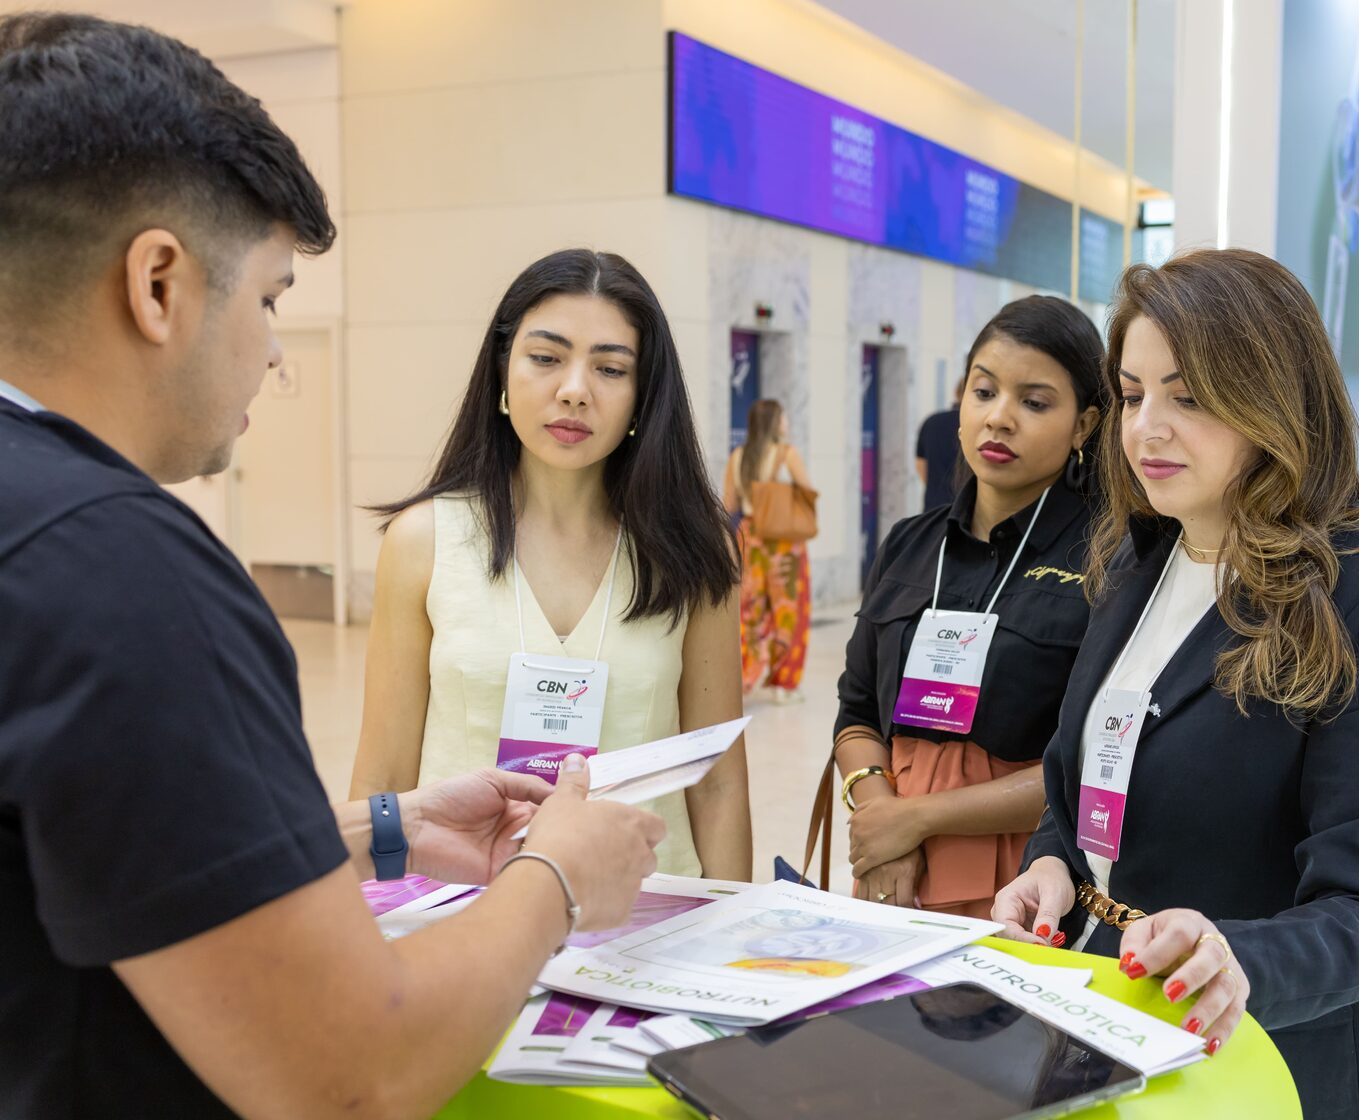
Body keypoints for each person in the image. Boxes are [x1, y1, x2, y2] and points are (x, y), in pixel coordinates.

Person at [0, 13, 665, 1118]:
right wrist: (556, 875)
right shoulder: (121, 575)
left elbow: (89, 850)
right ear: (158, 282)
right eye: (268, 299)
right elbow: (351, 1073)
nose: (273, 352)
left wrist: (378, 833)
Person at [992, 250, 1359, 1120]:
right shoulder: (1138, 559)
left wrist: (1234, 957)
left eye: (1189, 397)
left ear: (1274, 398)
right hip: (1094, 1021)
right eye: (1132, 395)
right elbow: (1083, 786)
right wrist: (1053, 866)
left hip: (1255, 1060)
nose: (1146, 429)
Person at [349, 249, 752, 882]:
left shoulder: (694, 551)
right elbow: (382, 776)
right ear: (502, 375)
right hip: (457, 916)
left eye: (610, 368)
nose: (574, 390)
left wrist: (726, 928)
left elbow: (719, 783)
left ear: (644, 395)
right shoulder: (423, 539)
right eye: (545, 358)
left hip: (644, 915)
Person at [833, 296, 1108, 918]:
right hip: (893, 871)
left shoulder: (1109, 560)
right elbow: (855, 711)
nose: (999, 418)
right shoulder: (910, 542)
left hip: (1033, 883)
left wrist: (916, 819)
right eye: (983, 392)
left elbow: (1095, 761)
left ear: (1085, 426)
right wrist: (880, 817)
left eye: (1034, 403)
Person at [722, 398, 815, 704]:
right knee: (788, 610)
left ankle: (746, 675)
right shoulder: (786, 454)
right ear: (775, 422)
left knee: (748, 609)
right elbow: (806, 489)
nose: (787, 423)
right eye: (784, 417)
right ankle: (782, 683)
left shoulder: (737, 456)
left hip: (748, 538)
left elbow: (728, 506)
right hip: (783, 543)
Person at [915, 379, 963, 510]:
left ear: (955, 392)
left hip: (932, 509)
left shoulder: (931, 422)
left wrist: (937, 487)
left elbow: (920, 465)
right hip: (965, 509)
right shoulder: (975, 426)